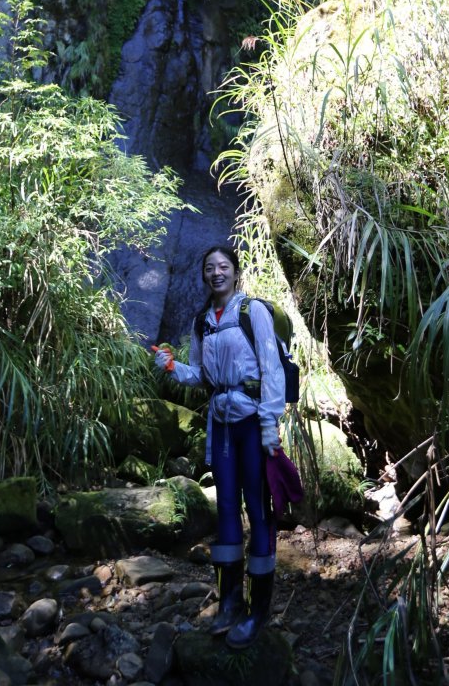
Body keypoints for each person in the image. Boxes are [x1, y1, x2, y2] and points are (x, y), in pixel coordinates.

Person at [154, 244, 286, 649]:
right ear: (204, 275)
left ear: (235, 272)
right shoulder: (202, 322)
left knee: (257, 510)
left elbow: (272, 368)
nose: (216, 273)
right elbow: (202, 376)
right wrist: (173, 367)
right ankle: (229, 601)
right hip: (222, 424)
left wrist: (270, 424)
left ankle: (258, 609)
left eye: (223, 266)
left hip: (251, 422)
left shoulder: (252, 311)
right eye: (209, 267)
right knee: (226, 507)